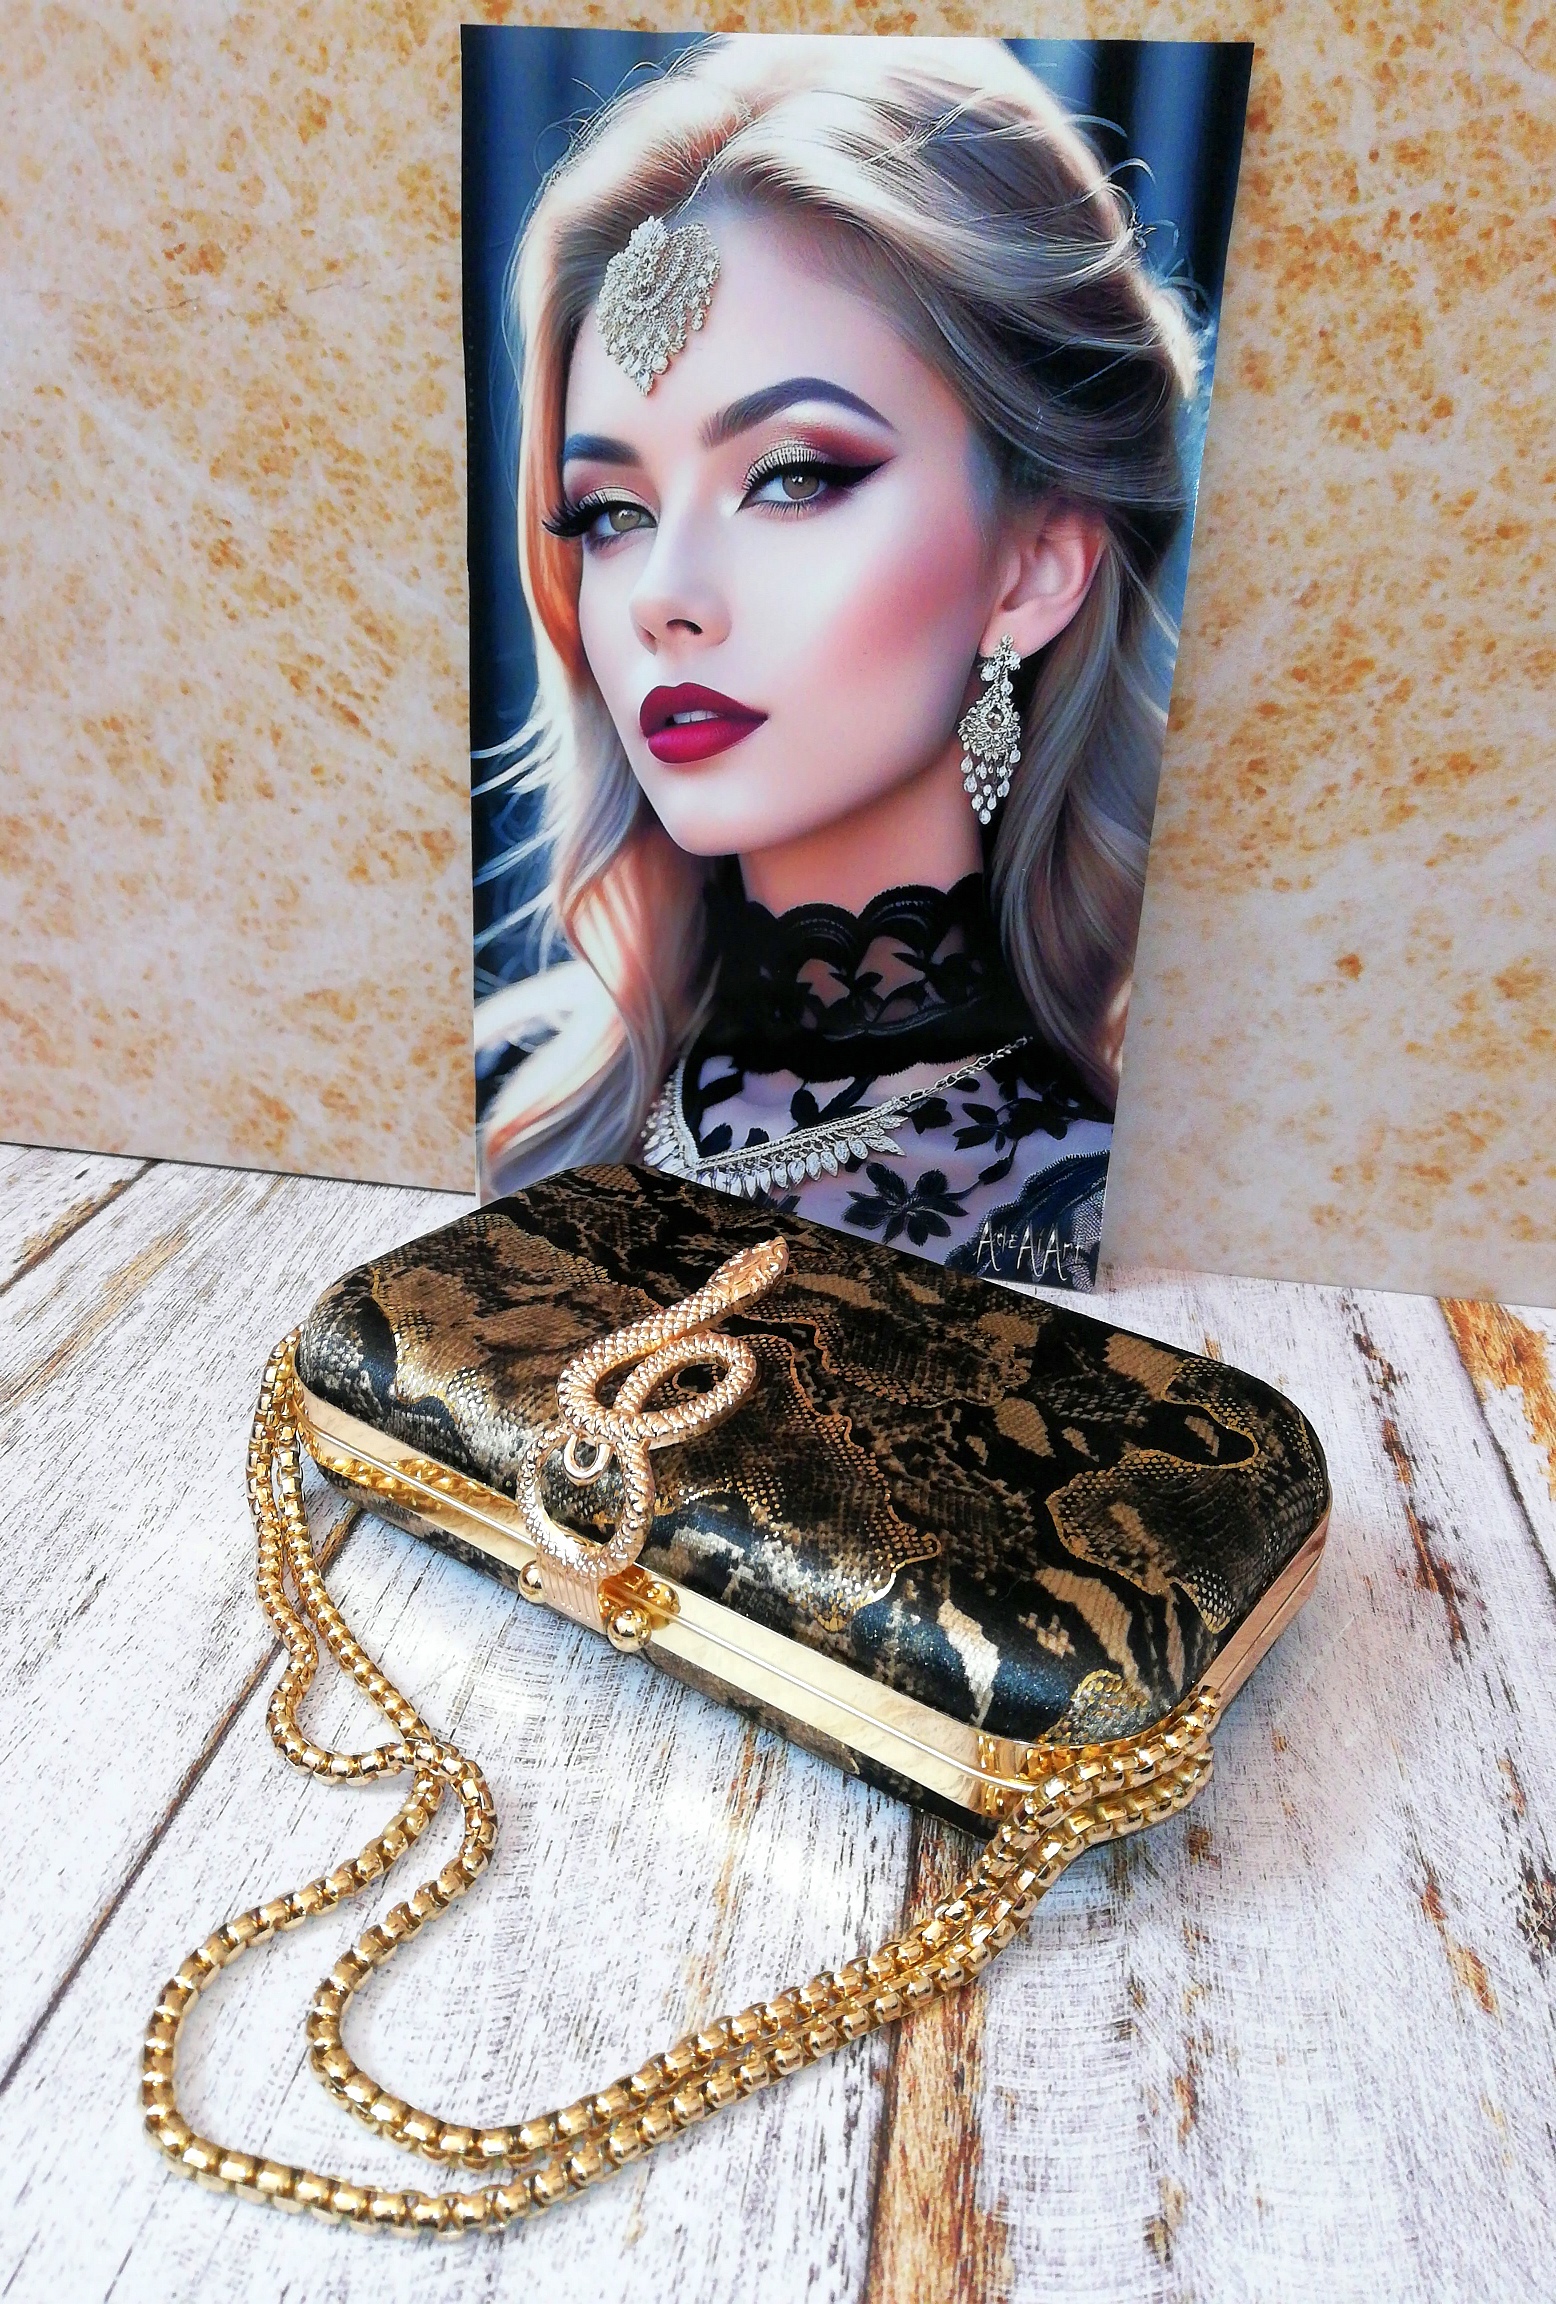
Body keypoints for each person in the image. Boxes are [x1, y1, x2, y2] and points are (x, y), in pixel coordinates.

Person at [474, 34, 1200, 1289]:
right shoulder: (505, 1093)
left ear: (1033, 566)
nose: (662, 598)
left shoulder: (1128, 1210)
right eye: (610, 512)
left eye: (793, 478)